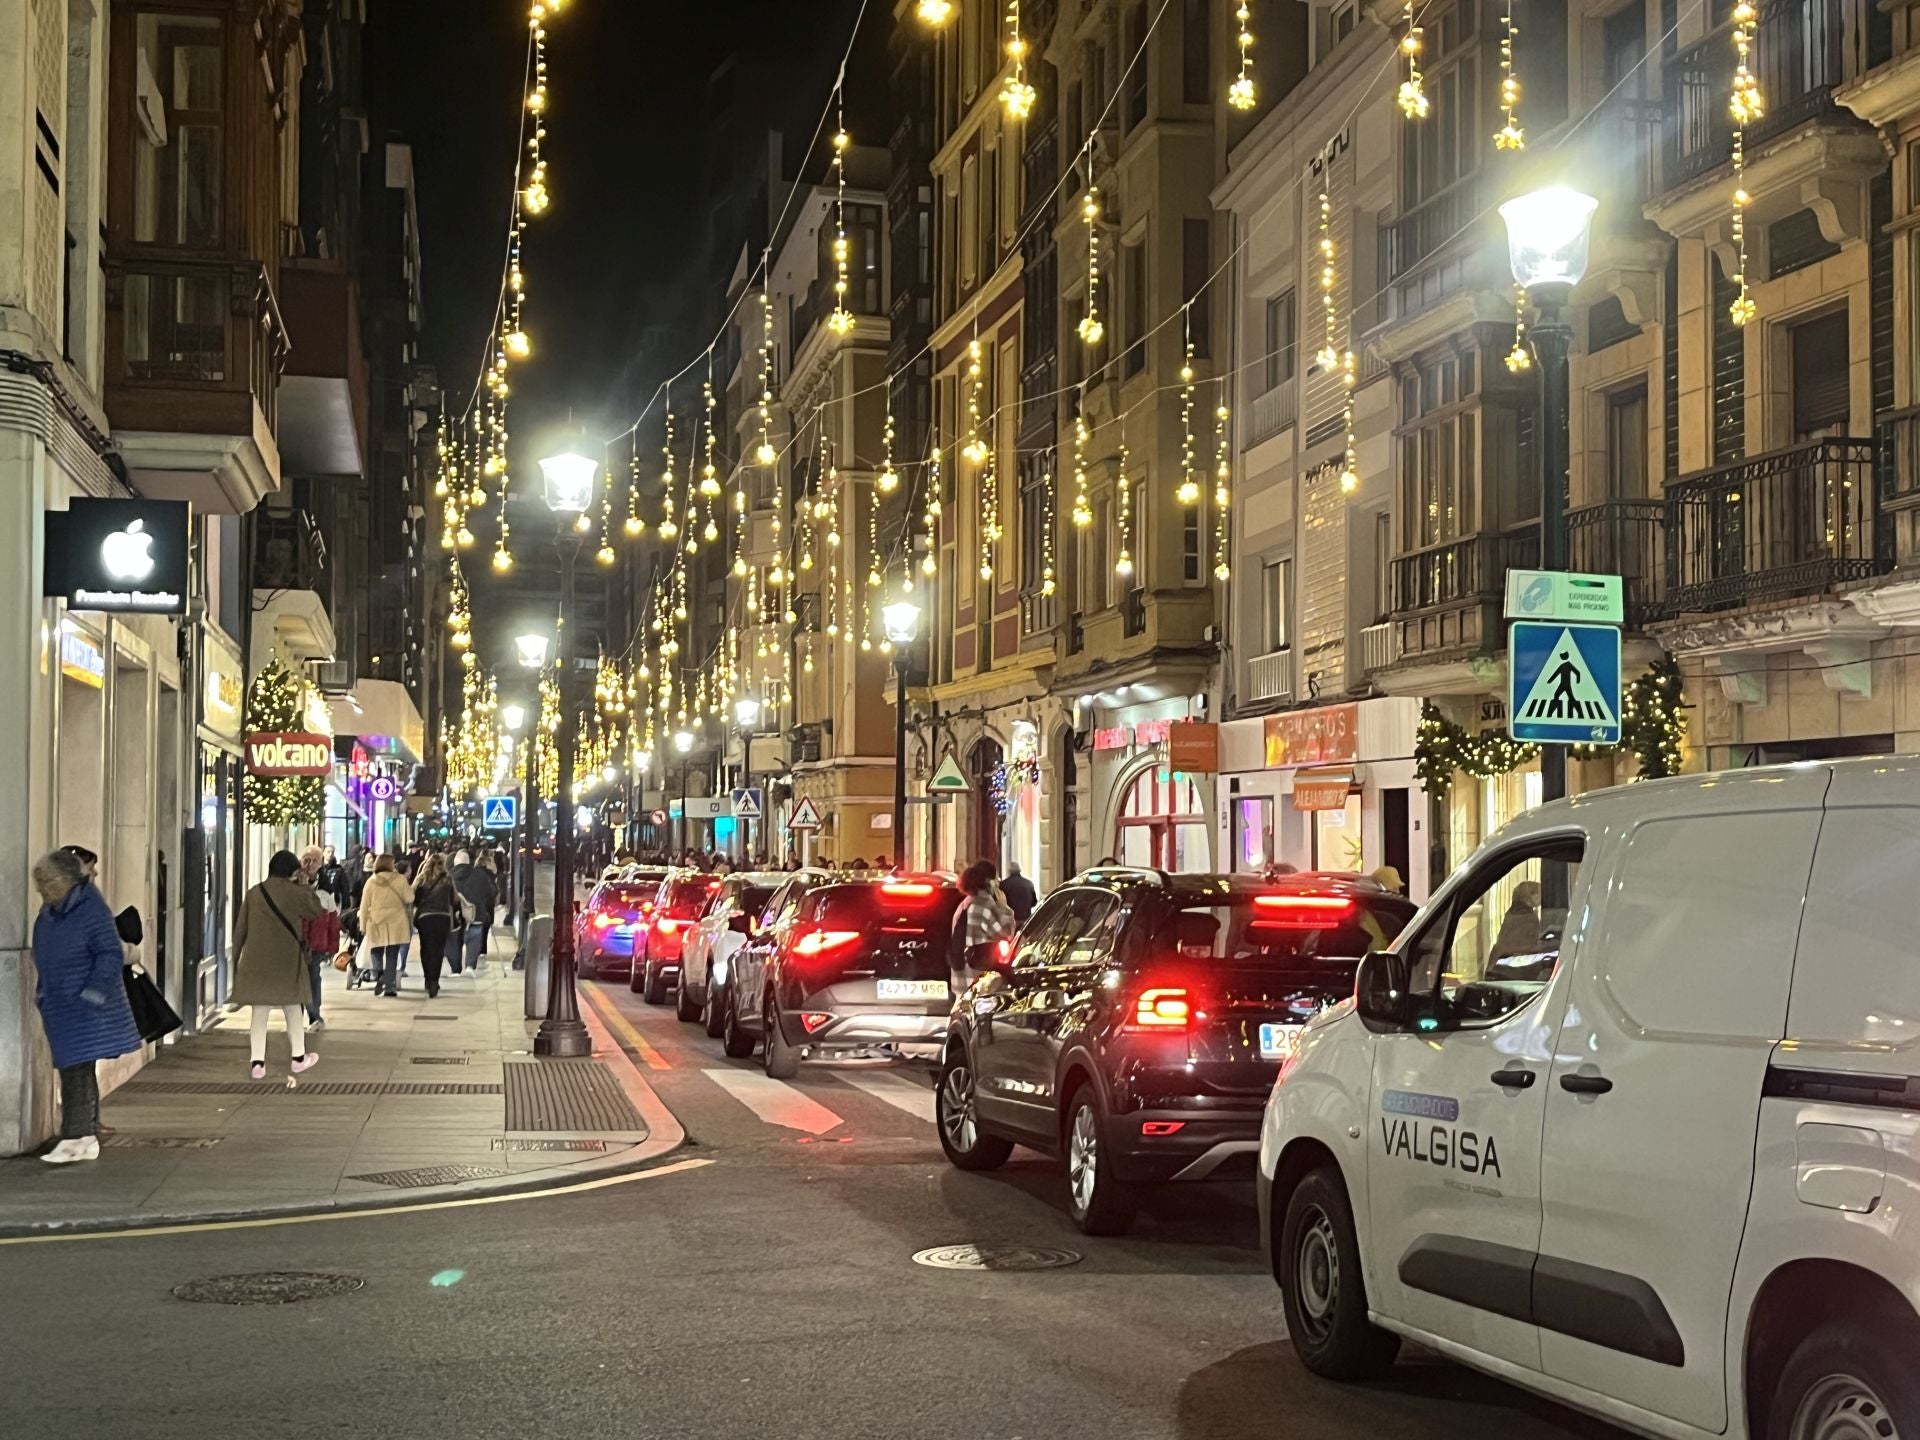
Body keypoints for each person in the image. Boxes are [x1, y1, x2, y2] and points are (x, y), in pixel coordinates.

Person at [30, 849, 141, 1164]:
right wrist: (43, 991)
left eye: (47, 881)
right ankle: (83, 1136)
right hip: (61, 1002)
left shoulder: (89, 909)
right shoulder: (51, 911)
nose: (41, 888)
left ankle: (76, 1137)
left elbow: (109, 952)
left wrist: (94, 992)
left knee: (75, 1069)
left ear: (65, 880)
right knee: (75, 1068)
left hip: (82, 1002)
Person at [231, 850, 325, 1079]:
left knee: (259, 1012)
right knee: (292, 1008)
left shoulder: (254, 893)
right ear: (292, 871)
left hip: (256, 960)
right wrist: (305, 885)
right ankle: (298, 1059)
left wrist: (236, 961)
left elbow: (240, 929)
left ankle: (257, 1064)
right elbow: (316, 911)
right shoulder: (295, 892)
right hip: (287, 961)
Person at [950, 860, 1015, 998]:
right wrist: (1004, 908)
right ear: (988, 882)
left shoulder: (965, 903)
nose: (998, 883)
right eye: (995, 879)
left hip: (961, 977)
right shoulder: (984, 904)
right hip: (978, 981)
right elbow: (1006, 932)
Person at [358, 854, 416, 998]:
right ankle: (389, 986)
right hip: (396, 921)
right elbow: (410, 898)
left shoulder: (371, 881)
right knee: (392, 955)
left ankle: (379, 974)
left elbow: (364, 905)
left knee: (376, 951)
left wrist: (362, 925)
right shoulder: (400, 879)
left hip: (376, 921)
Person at [411, 854, 457, 999]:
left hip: (425, 918)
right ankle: (434, 981)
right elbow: (453, 899)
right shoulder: (447, 880)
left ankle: (428, 978)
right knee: (438, 950)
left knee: (426, 949)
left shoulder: (421, 879)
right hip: (442, 917)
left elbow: (413, 899)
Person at [457, 851, 498, 973]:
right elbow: (492, 892)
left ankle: (456, 968)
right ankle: (470, 965)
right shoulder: (480, 875)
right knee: (474, 938)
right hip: (477, 912)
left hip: (457, 914)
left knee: (455, 940)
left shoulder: (450, 875)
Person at [1488, 880, 1543, 964]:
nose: (1542, 897)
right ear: (1532, 896)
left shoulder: (1511, 913)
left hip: (1499, 960)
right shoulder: (1527, 917)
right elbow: (1529, 946)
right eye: (1540, 893)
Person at [1000, 861, 1038, 926]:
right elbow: (1034, 902)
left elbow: (1000, 903)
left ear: (1009, 870)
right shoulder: (1029, 883)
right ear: (1020, 870)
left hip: (1011, 920)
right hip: (1026, 920)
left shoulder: (1003, 884)